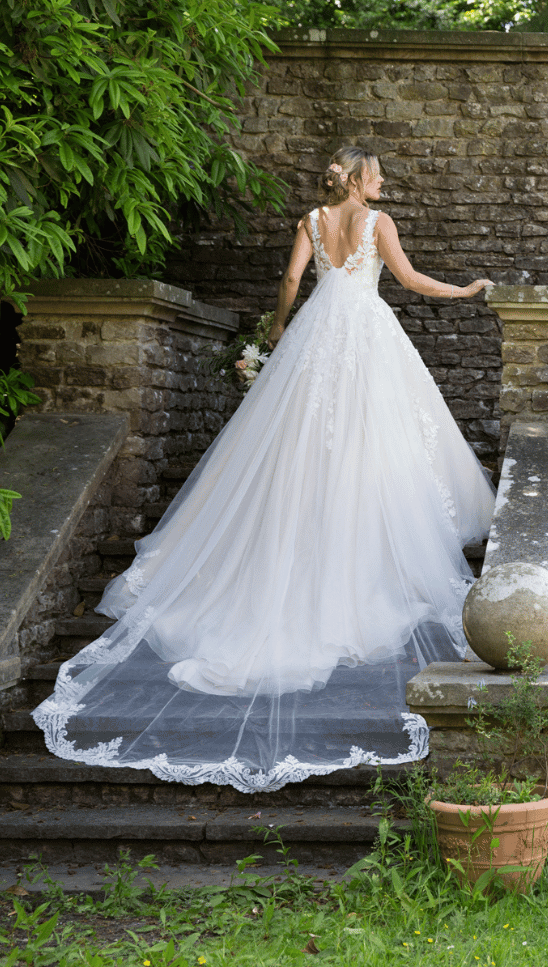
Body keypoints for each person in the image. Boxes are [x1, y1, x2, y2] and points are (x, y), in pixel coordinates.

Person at [32, 147, 496, 792]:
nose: (384, 180)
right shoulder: (379, 223)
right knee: (371, 436)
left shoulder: (310, 219)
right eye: (378, 172)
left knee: (298, 437)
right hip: (366, 334)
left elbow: (289, 282)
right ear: (360, 179)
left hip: (316, 333)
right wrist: (465, 290)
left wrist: (279, 331)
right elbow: (411, 281)